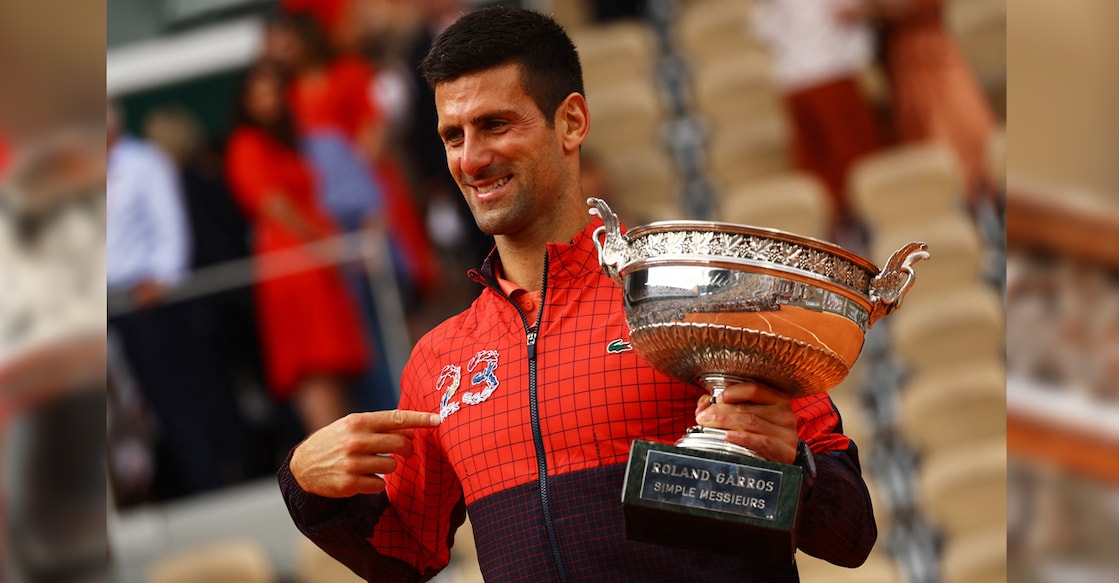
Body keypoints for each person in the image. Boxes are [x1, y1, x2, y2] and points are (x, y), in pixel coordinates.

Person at [278, 7, 877, 582]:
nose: (472, 158)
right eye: (452, 134)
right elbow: (404, 557)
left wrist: (795, 470)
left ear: (572, 122)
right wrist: (304, 483)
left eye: (495, 124)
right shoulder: (441, 361)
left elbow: (851, 535)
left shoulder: (694, 298)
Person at [225, 60, 370, 432]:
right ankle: (333, 464)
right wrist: (325, 243)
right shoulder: (246, 144)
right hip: (291, 261)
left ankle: (348, 459)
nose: (268, 100)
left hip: (313, 259)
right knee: (313, 365)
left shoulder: (288, 140)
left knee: (333, 366)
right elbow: (274, 205)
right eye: (259, 94)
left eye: (273, 91)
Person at [751, 0, 884, 237]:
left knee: (821, 168)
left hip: (796, 78)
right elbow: (847, 12)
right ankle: (854, 232)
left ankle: (841, 232)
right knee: (853, 166)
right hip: (831, 75)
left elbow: (763, 27)